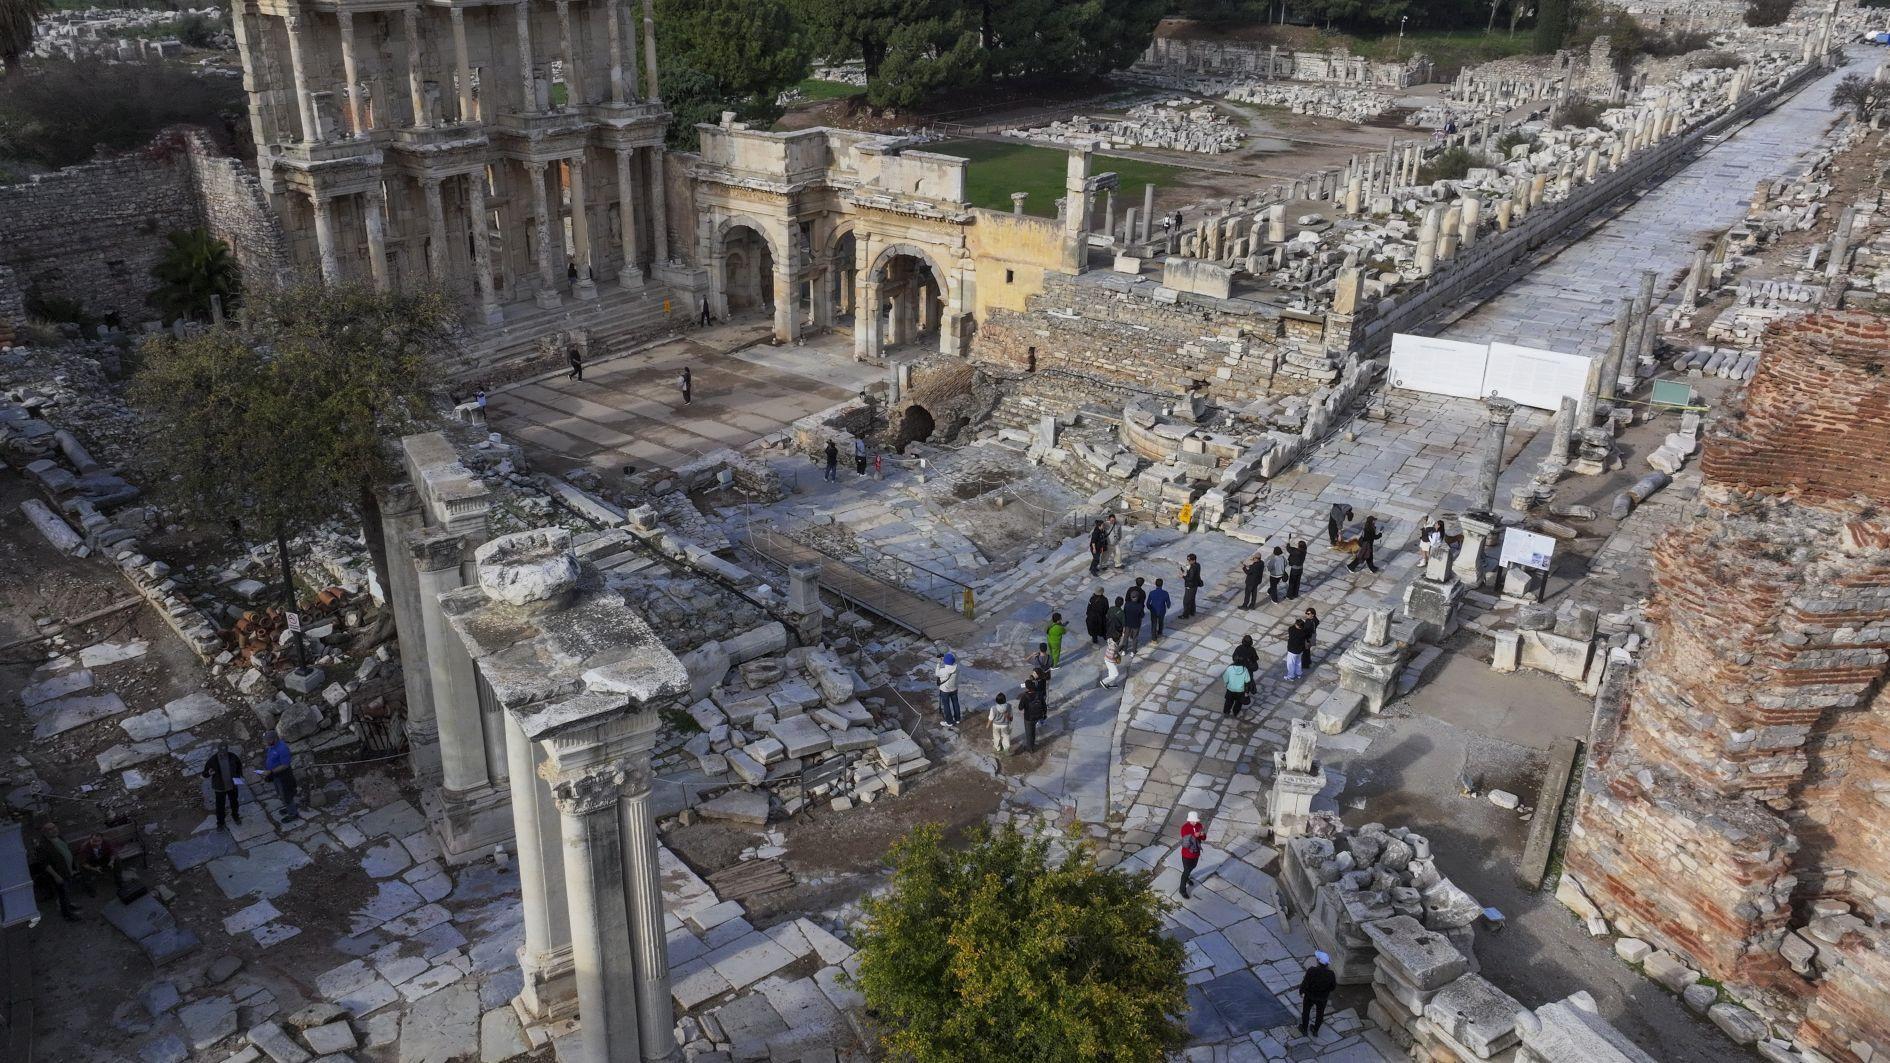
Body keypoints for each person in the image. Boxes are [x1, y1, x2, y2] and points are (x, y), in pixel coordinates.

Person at [202, 740, 243, 829]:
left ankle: (235, 816)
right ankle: (220, 823)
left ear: (227, 750)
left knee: (234, 802)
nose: (223, 753)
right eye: (221, 752)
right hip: (220, 787)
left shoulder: (232, 757)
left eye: (225, 751)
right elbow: (204, 774)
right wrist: (209, 773)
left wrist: (238, 777)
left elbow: (239, 766)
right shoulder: (212, 760)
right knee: (220, 806)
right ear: (218, 750)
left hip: (232, 786)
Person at [259, 730, 299, 822]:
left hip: (283, 776)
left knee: (286, 794)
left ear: (274, 739)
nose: (266, 742)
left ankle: (293, 814)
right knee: (280, 793)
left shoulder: (282, 748)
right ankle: (288, 807)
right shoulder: (272, 746)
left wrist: (270, 771)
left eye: (268, 740)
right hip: (275, 775)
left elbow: (285, 765)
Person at [1298, 952, 1338, 1037]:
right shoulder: (1331, 974)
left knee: (1306, 1012)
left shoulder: (1311, 970)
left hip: (1310, 996)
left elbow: (1305, 983)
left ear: (1318, 961)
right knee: (1320, 1014)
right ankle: (1315, 1030)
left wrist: (1301, 991)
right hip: (1322, 998)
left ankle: (1304, 1029)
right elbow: (1333, 987)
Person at [1178, 812, 1206, 898]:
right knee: (1186, 871)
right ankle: (1182, 890)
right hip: (1187, 854)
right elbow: (1186, 842)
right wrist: (1194, 835)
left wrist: (1202, 835)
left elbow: (1203, 838)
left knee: (1193, 866)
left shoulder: (1199, 825)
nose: (1194, 822)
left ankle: (1187, 879)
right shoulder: (1184, 828)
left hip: (1196, 853)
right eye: (1193, 821)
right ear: (1189, 820)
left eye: (1195, 821)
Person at [1021, 671, 1048, 752]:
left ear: (1027, 688)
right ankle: (1032, 744)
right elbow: (1044, 705)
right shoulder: (1039, 694)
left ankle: (1030, 748)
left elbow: (1020, 707)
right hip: (1038, 716)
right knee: (1033, 731)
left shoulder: (1025, 696)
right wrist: (1044, 715)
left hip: (1028, 717)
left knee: (1029, 732)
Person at [1121, 578, 1147, 655]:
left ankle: (1124, 650)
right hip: (1136, 621)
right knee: (1135, 637)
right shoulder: (1142, 593)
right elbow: (1142, 613)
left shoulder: (1130, 590)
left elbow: (1126, 600)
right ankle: (1133, 651)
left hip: (1128, 621)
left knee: (1126, 636)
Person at [935, 652, 962, 725]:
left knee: (946, 705)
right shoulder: (957, 668)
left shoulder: (943, 671)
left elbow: (937, 673)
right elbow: (951, 662)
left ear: (945, 661)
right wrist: (946, 659)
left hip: (945, 690)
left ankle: (949, 722)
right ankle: (957, 719)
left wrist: (938, 663)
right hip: (954, 689)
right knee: (955, 703)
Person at [1181, 554, 1203, 619]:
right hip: (1195, 585)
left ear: (1193, 560)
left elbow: (1190, 578)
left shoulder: (1192, 568)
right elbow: (1193, 575)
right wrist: (1185, 571)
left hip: (1190, 586)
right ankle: (1192, 612)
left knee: (1186, 601)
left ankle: (1185, 615)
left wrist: (1183, 576)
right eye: (1187, 559)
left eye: (1189, 560)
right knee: (1192, 599)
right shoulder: (1198, 565)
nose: (1188, 561)